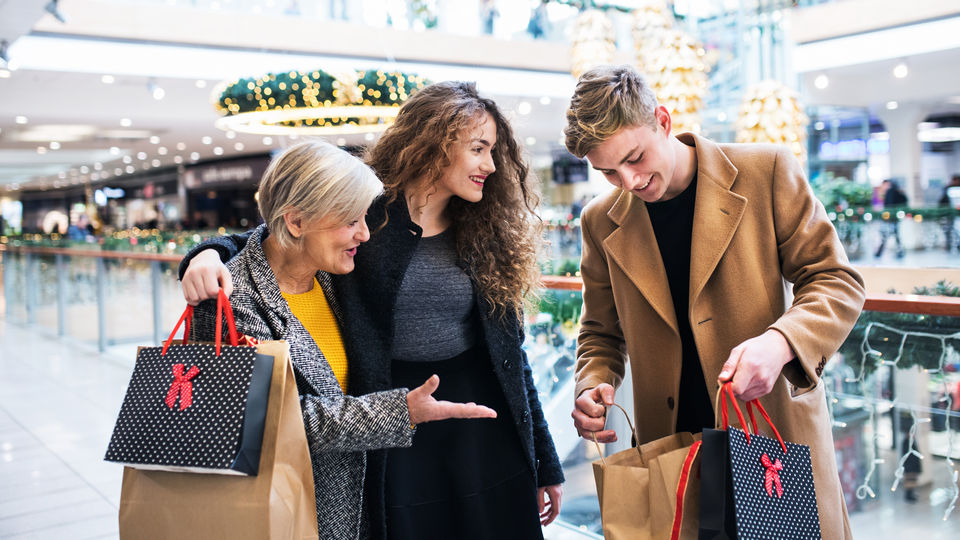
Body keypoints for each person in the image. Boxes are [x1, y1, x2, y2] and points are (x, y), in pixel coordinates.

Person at [180, 82, 564, 539]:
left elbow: (511, 355)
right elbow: (279, 234)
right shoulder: (367, 210)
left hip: (484, 422)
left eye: (494, 150)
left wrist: (544, 458)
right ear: (434, 144)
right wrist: (206, 253)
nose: (491, 164)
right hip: (392, 425)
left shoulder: (484, 227)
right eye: (478, 149)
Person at [564, 66, 864, 538]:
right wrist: (591, 383)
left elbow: (835, 279)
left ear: (663, 121)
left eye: (636, 157)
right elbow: (601, 331)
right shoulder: (600, 221)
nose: (629, 181)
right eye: (607, 172)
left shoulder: (765, 171)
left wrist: (781, 342)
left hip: (771, 440)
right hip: (671, 452)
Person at [875, 178, 908, 258]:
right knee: (894, 235)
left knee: (886, 235)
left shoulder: (890, 192)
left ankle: (880, 252)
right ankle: (899, 252)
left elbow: (888, 205)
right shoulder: (898, 192)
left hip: (889, 218)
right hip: (894, 218)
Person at [939, 174, 960, 252]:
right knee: (949, 228)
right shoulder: (948, 189)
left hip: (954, 213)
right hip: (950, 213)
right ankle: (950, 244)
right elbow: (943, 200)